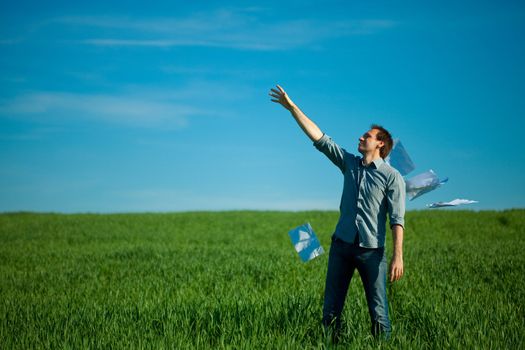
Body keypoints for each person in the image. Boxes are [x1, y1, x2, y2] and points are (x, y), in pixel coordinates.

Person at [269, 85, 405, 341]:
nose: (361, 137)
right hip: (341, 247)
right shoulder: (349, 164)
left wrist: (398, 257)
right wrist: (292, 108)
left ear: (380, 144)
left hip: (372, 252)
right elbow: (320, 138)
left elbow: (397, 220)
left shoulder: (392, 177)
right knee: (330, 311)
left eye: (367, 136)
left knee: (379, 314)